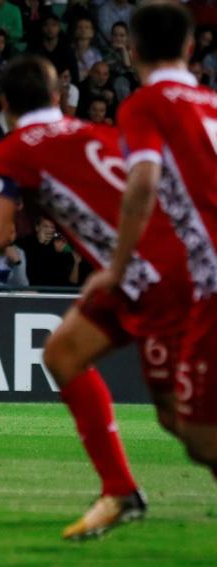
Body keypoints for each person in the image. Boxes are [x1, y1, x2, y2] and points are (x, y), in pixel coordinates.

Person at [0, 54, 193, 540]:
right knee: (63, 353)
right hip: (152, 264)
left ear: (5, 106)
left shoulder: (13, 151)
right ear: (58, 98)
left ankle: (122, 489)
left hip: (161, 278)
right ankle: (119, 491)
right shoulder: (94, 133)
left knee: (189, 423)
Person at [83, 2, 217, 503]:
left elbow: (142, 180)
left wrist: (116, 267)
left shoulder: (145, 105)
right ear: (189, 47)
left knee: (202, 437)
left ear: (131, 49)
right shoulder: (211, 102)